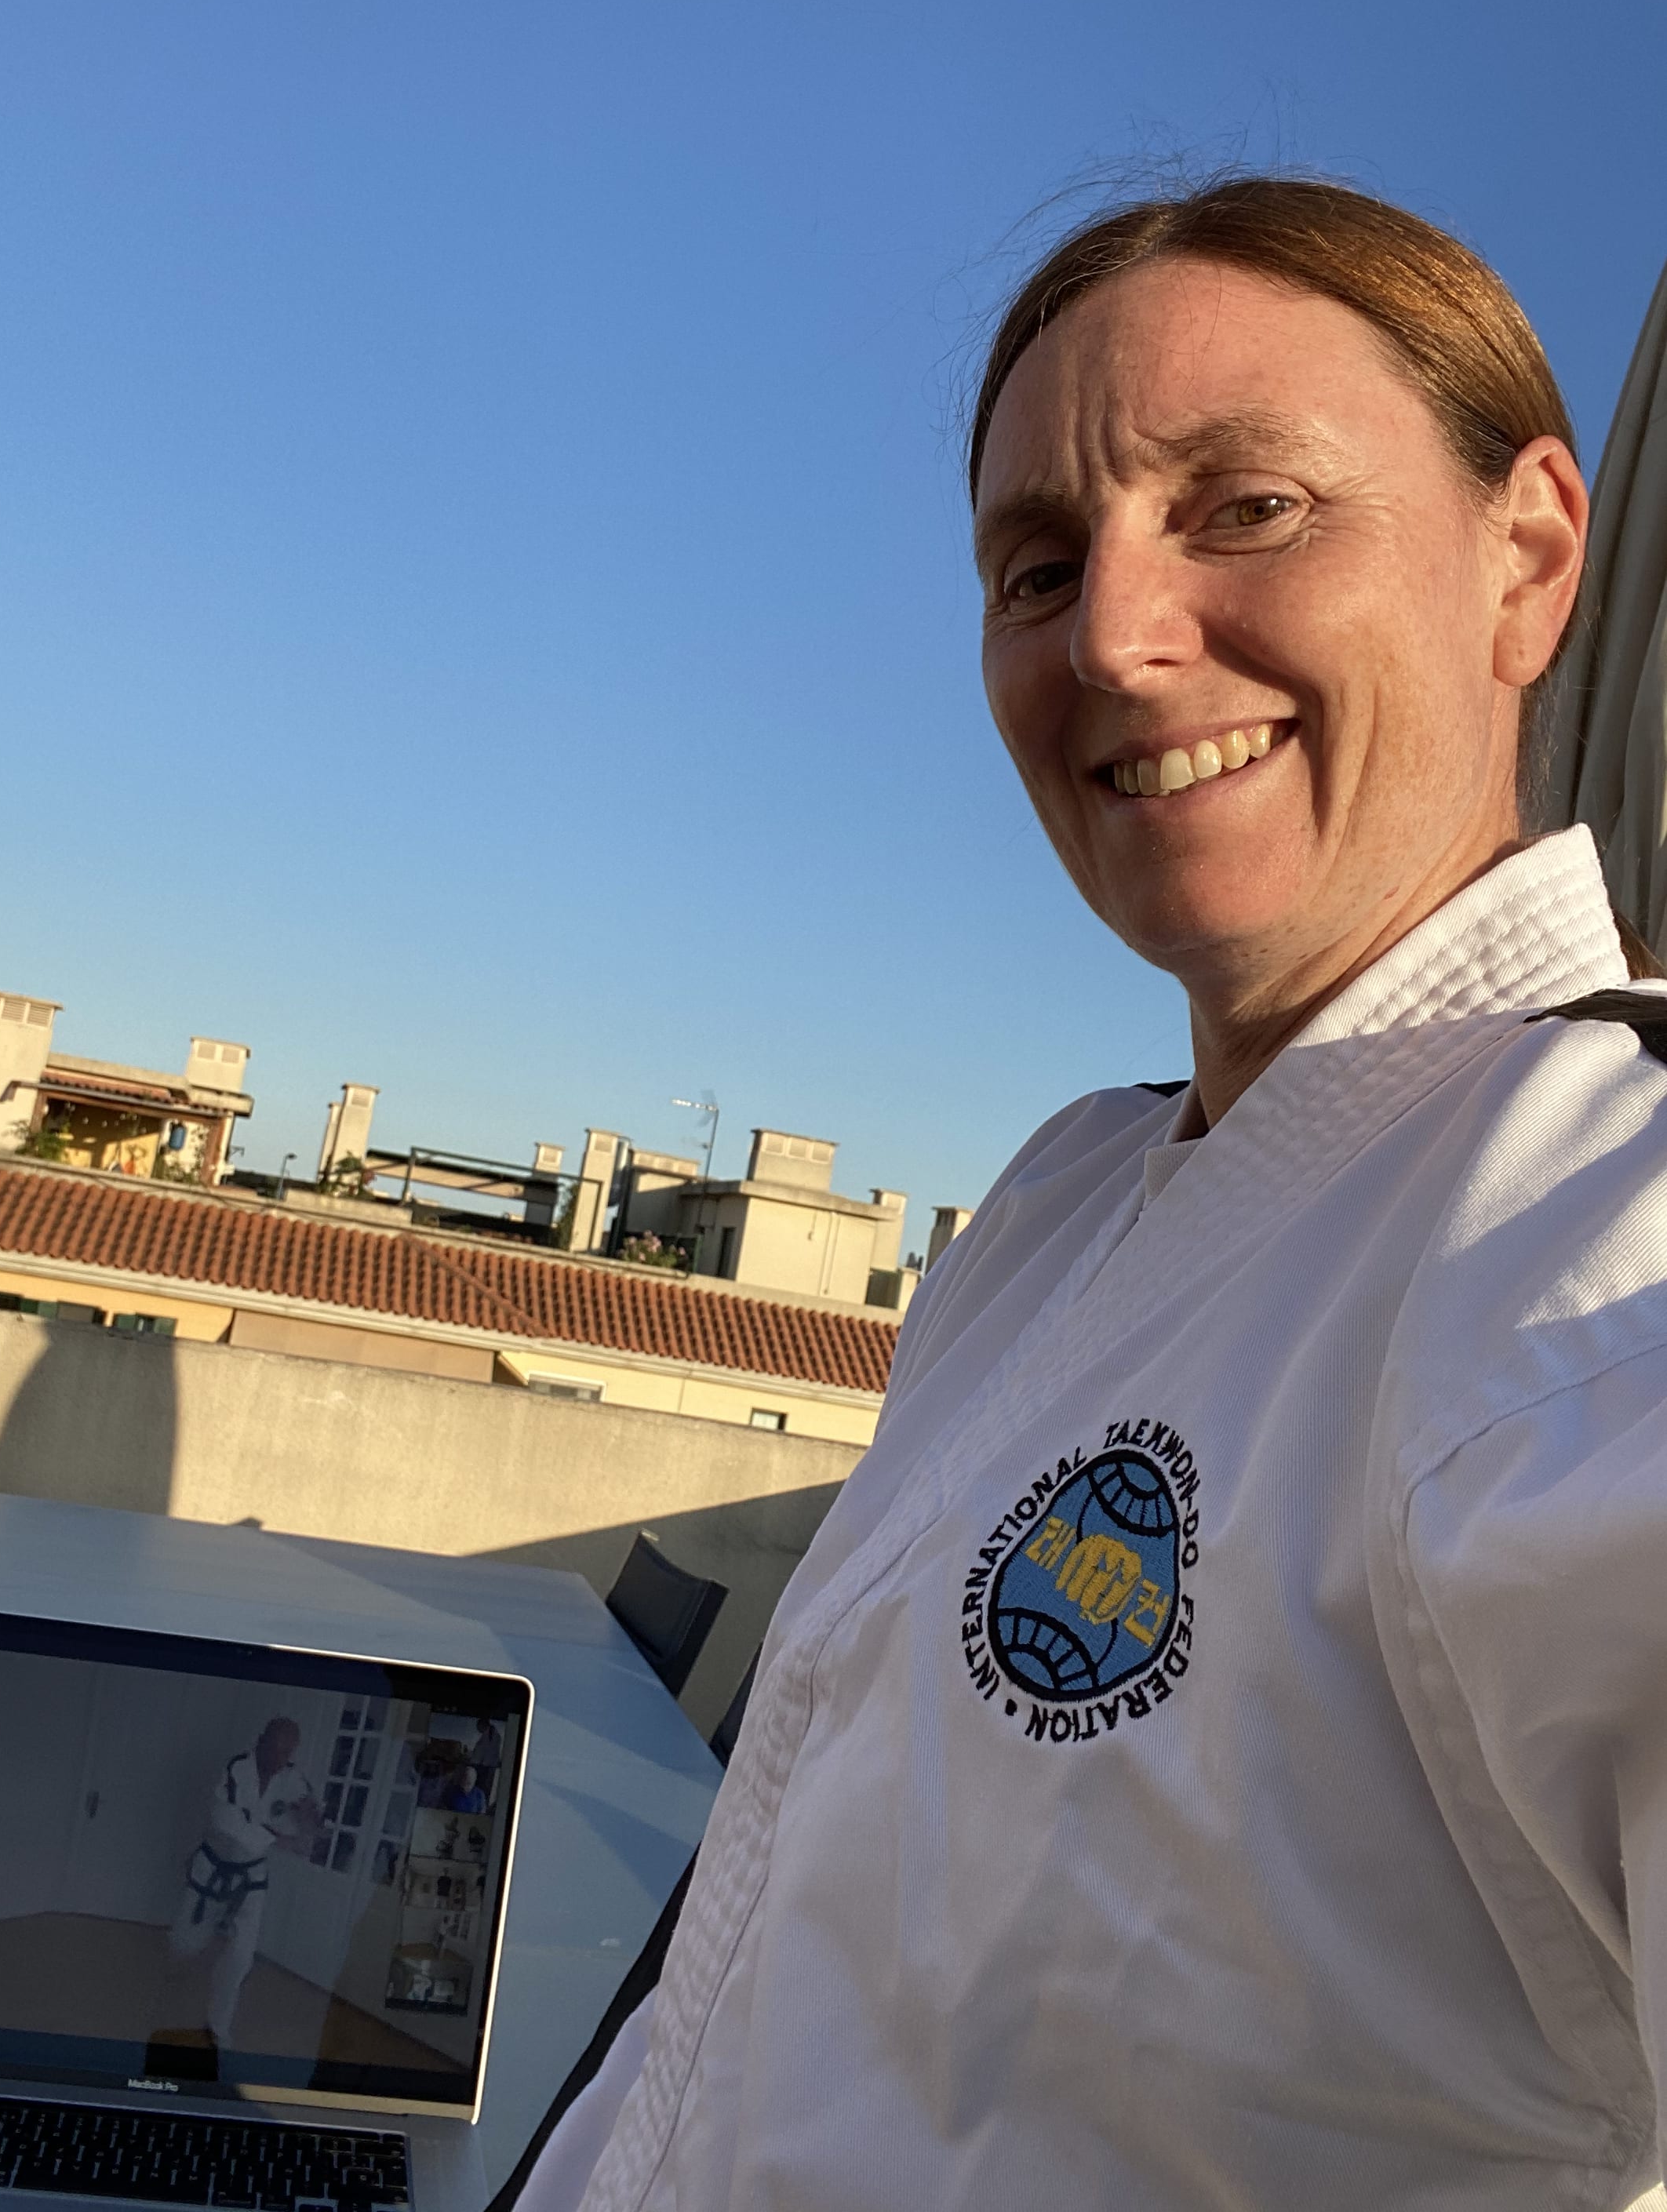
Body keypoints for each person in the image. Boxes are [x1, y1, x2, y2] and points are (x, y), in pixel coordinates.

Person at [511, 179, 1667, 2212]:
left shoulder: (1579, 1238)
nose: (1115, 642)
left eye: (1245, 506)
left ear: (1529, 559)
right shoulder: (1060, 1199)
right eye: (1035, 565)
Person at [169, 1716, 320, 2049]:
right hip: (212, 1868)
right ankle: (181, 1974)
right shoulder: (237, 1769)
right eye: (275, 1749)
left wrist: (309, 1817)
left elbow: (310, 1822)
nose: (279, 1759)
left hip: (251, 1876)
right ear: (261, 1740)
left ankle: (217, 2026)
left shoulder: (293, 1779)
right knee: (185, 1943)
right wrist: (277, 1840)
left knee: (241, 1956)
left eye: (287, 1753)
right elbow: (226, 1820)